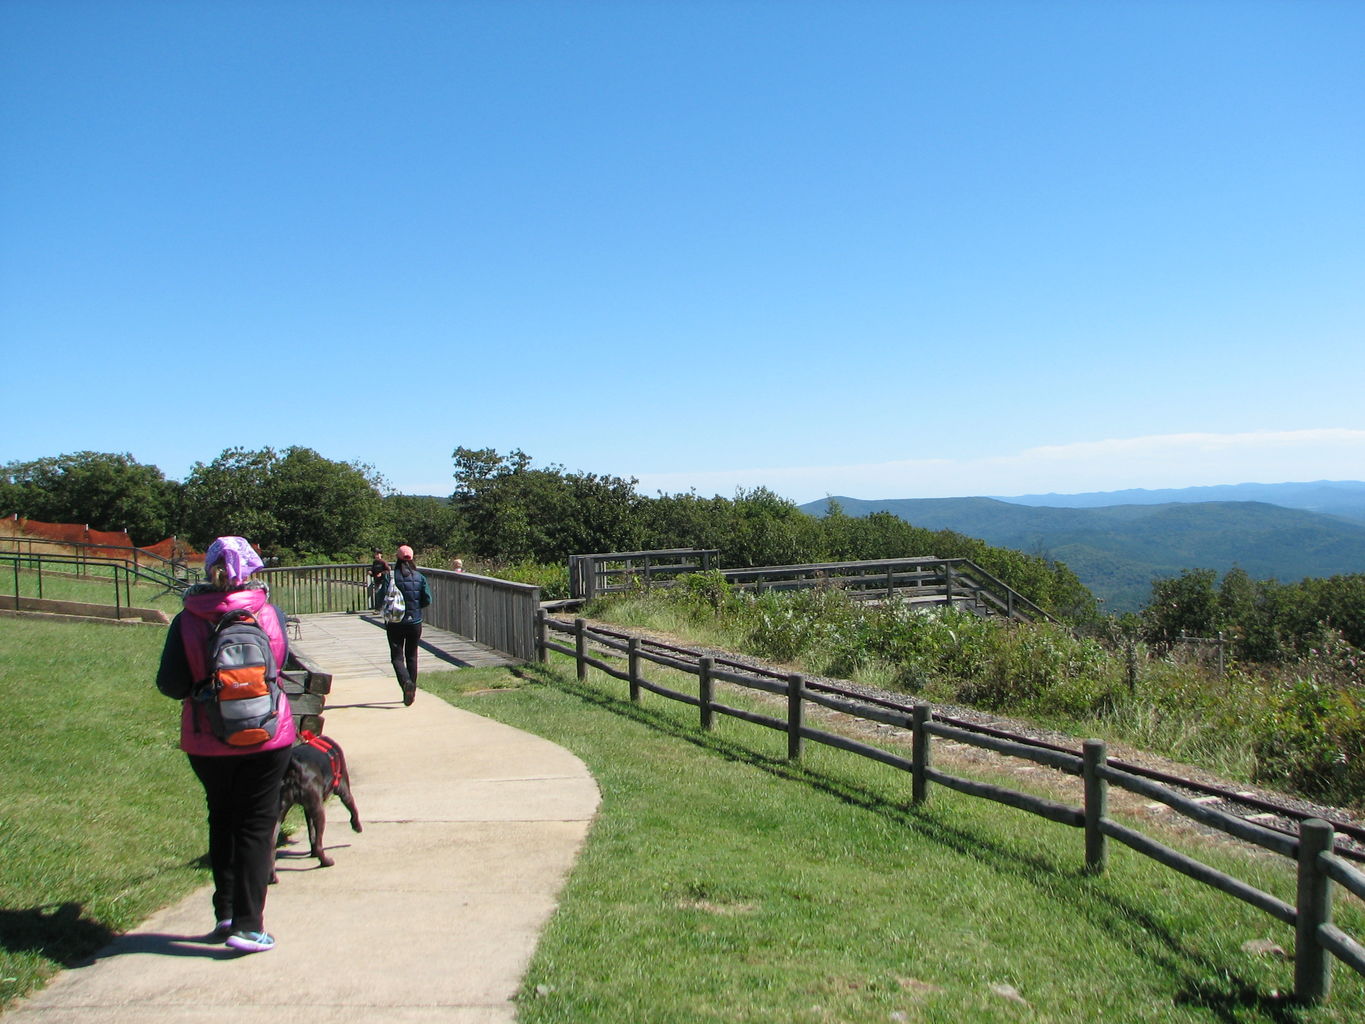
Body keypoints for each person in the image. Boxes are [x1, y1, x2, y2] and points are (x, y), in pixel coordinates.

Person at [156, 536, 294, 954]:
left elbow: (171, 683)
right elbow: (279, 665)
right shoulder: (269, 614)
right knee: (256, 824)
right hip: (267, 735)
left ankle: (226, 914)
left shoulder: (187, 619)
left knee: (223, 818)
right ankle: (250, 927)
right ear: (252, 570)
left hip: (207, 738)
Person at [385, 544, 431, 706]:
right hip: (415, 622)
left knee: (397, 657)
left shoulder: (390, 576)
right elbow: (427, 599)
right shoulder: (420, 577)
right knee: (412, 656)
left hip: (395, 622)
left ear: (397, 558)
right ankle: (412, 689)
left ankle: (406, 683)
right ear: (412, 558)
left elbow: (382, 596)